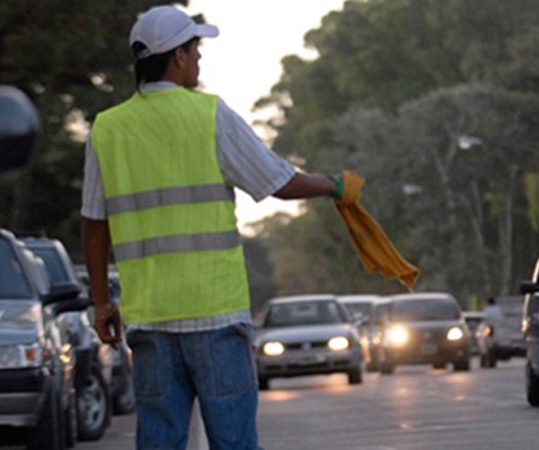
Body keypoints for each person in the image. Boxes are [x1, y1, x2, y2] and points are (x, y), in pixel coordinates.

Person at [80, 6, 343, 449]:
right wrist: (334, 186)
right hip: (215, 315)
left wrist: (102, 304)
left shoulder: (107, 129)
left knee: (160, 440)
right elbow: (278, 182)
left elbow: (93, 225)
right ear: (178, 57)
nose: (199, 60)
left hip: (150, 319)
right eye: (196, 50)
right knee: (234, 441)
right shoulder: (209, 115)